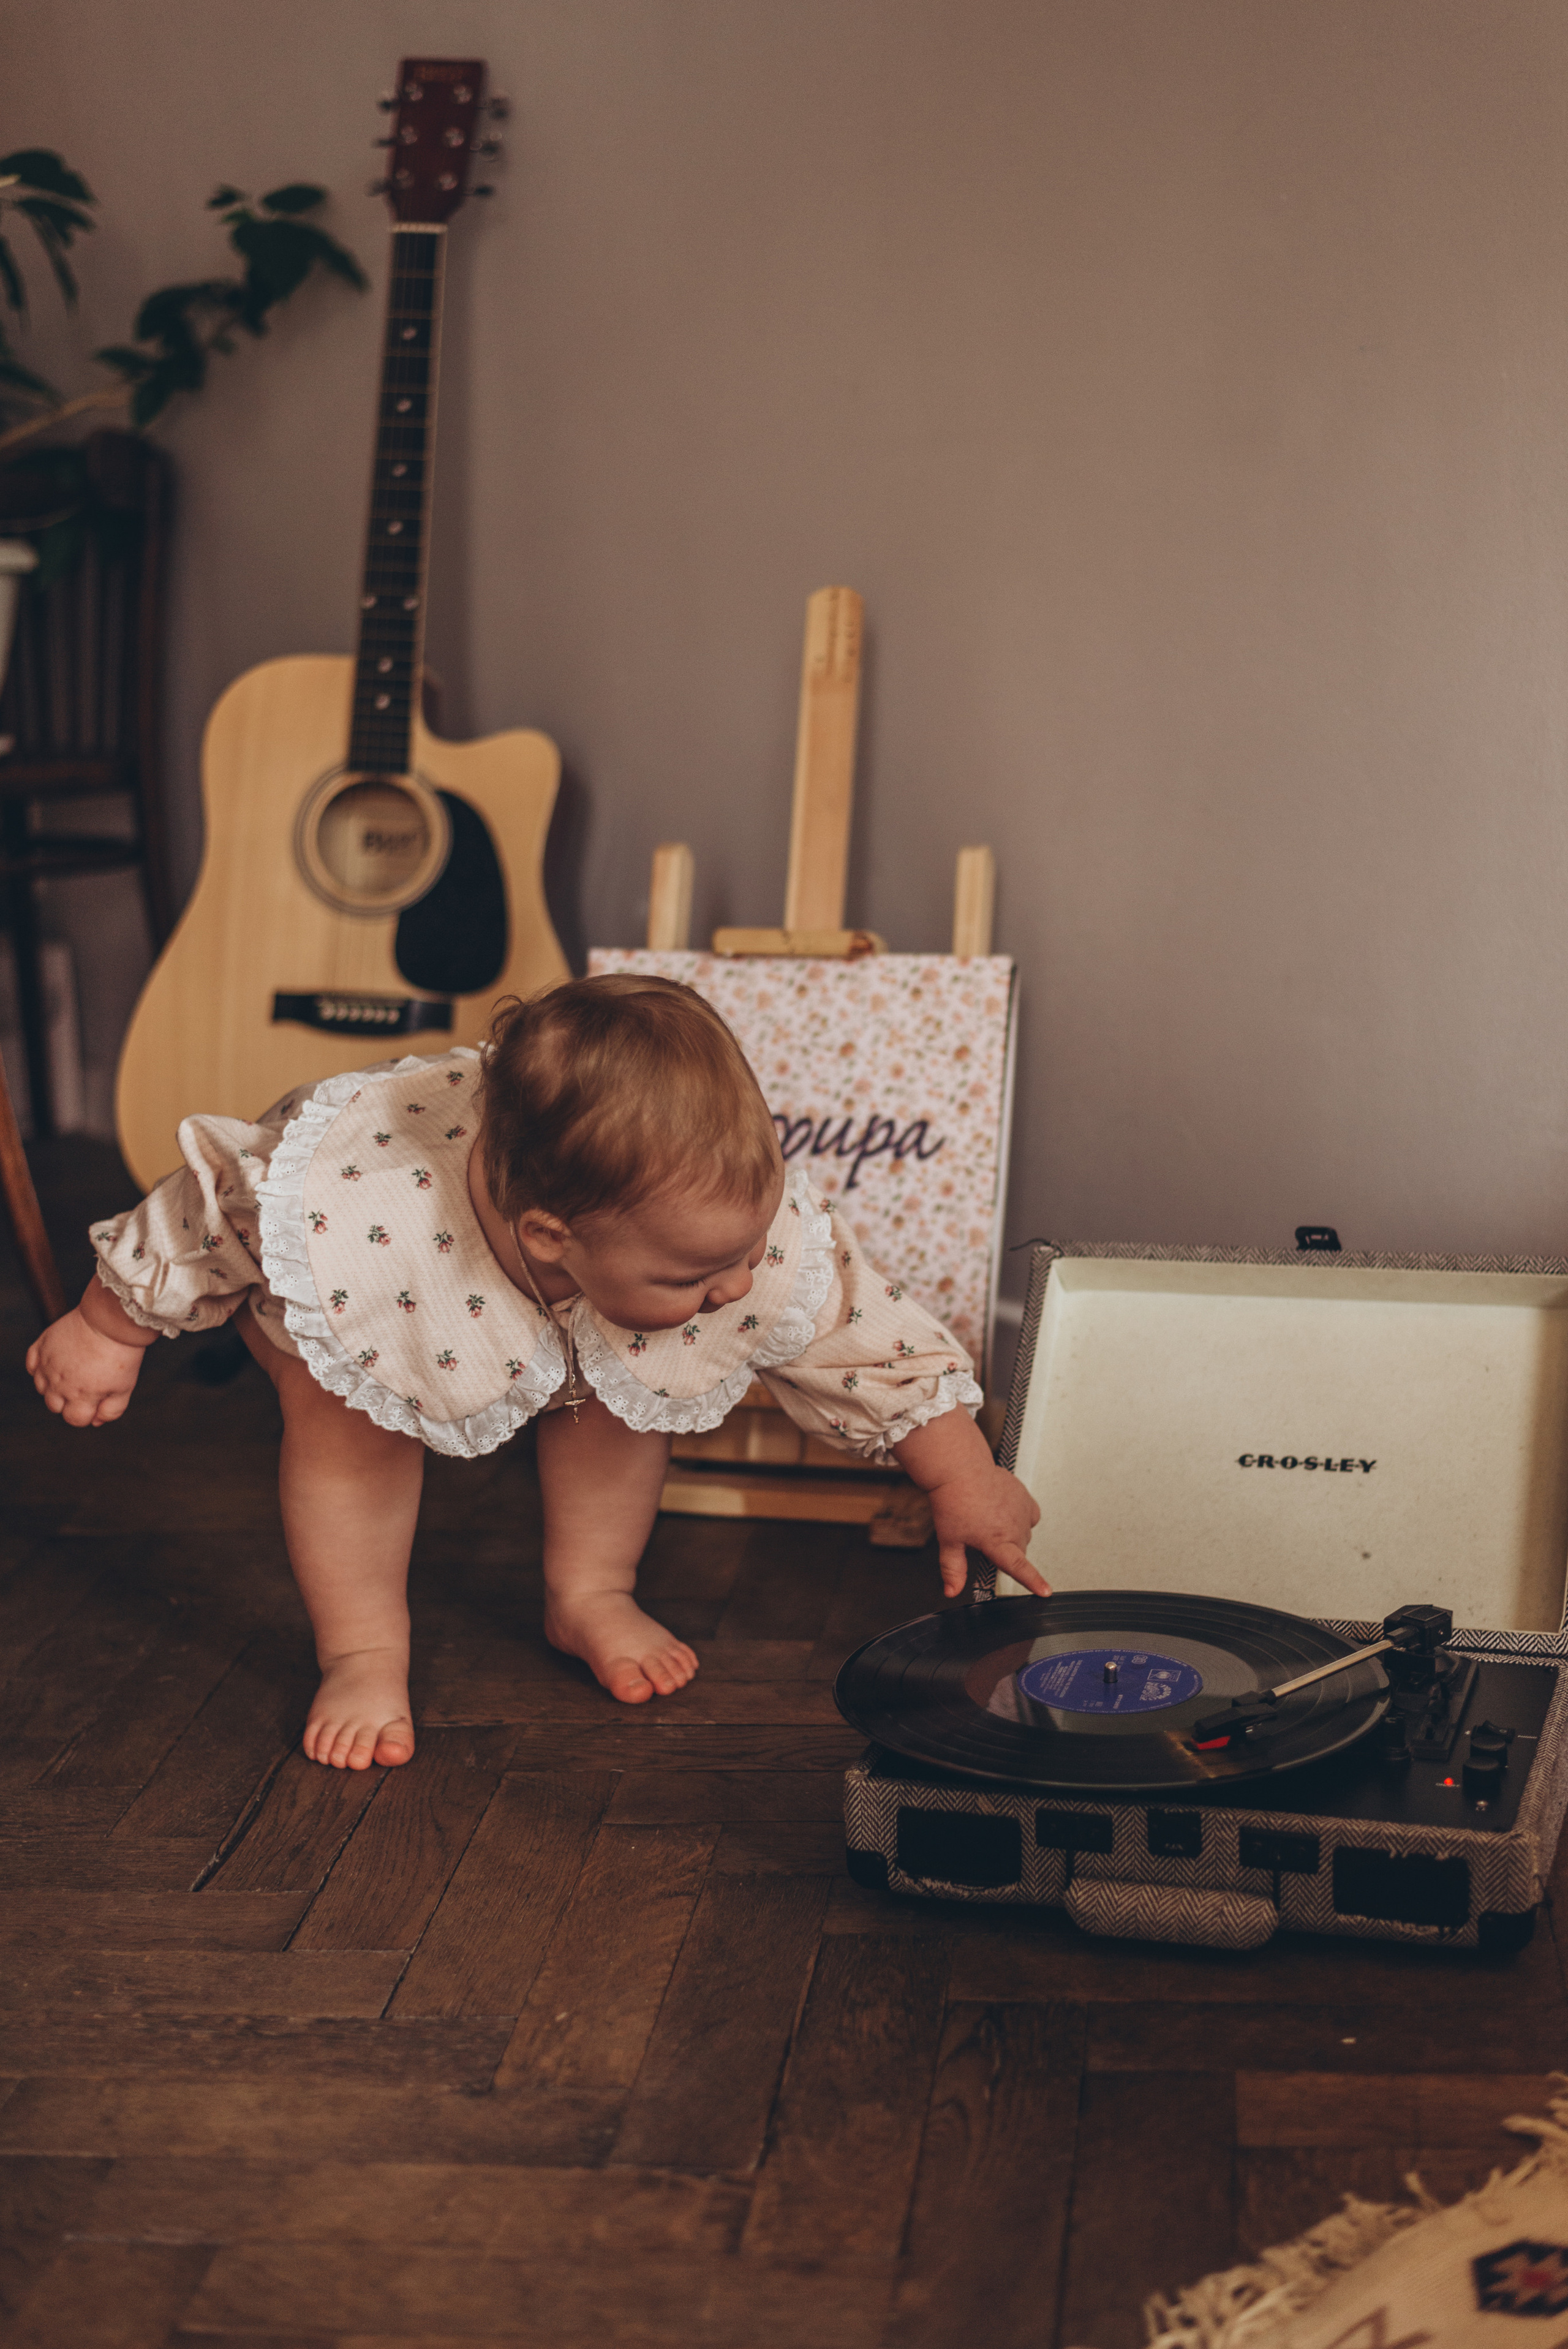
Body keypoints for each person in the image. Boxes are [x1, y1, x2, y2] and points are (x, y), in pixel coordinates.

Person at [26, 975, 1045, 1771]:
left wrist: (958, 1471)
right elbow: (208, 1213)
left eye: (748, 1247)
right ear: (553, 1237)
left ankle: (591, 1590)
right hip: (387, 1290)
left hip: (570, 1308)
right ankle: (363, 1652)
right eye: (699, 1270)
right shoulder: (360, 1193)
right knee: (350, 1437)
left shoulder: (722, 1228)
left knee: (632, 1388)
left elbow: (848, 1322)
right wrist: (108, 1324)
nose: (740, 1285)